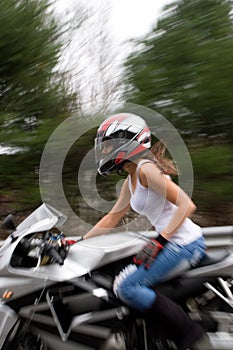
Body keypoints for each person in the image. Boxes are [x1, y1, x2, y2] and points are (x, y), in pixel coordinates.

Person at [82, 112, 206, 349]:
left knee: (126, 287)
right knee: (114, 274)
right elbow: (112, 217)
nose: (103, 152)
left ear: (126, 142)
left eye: (107, 146)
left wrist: (160, 241)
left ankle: (190, 336)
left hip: (185, 243)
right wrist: (78, 242)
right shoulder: (132, 178)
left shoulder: (146, 170)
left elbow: (187, 205)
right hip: (173, 242)